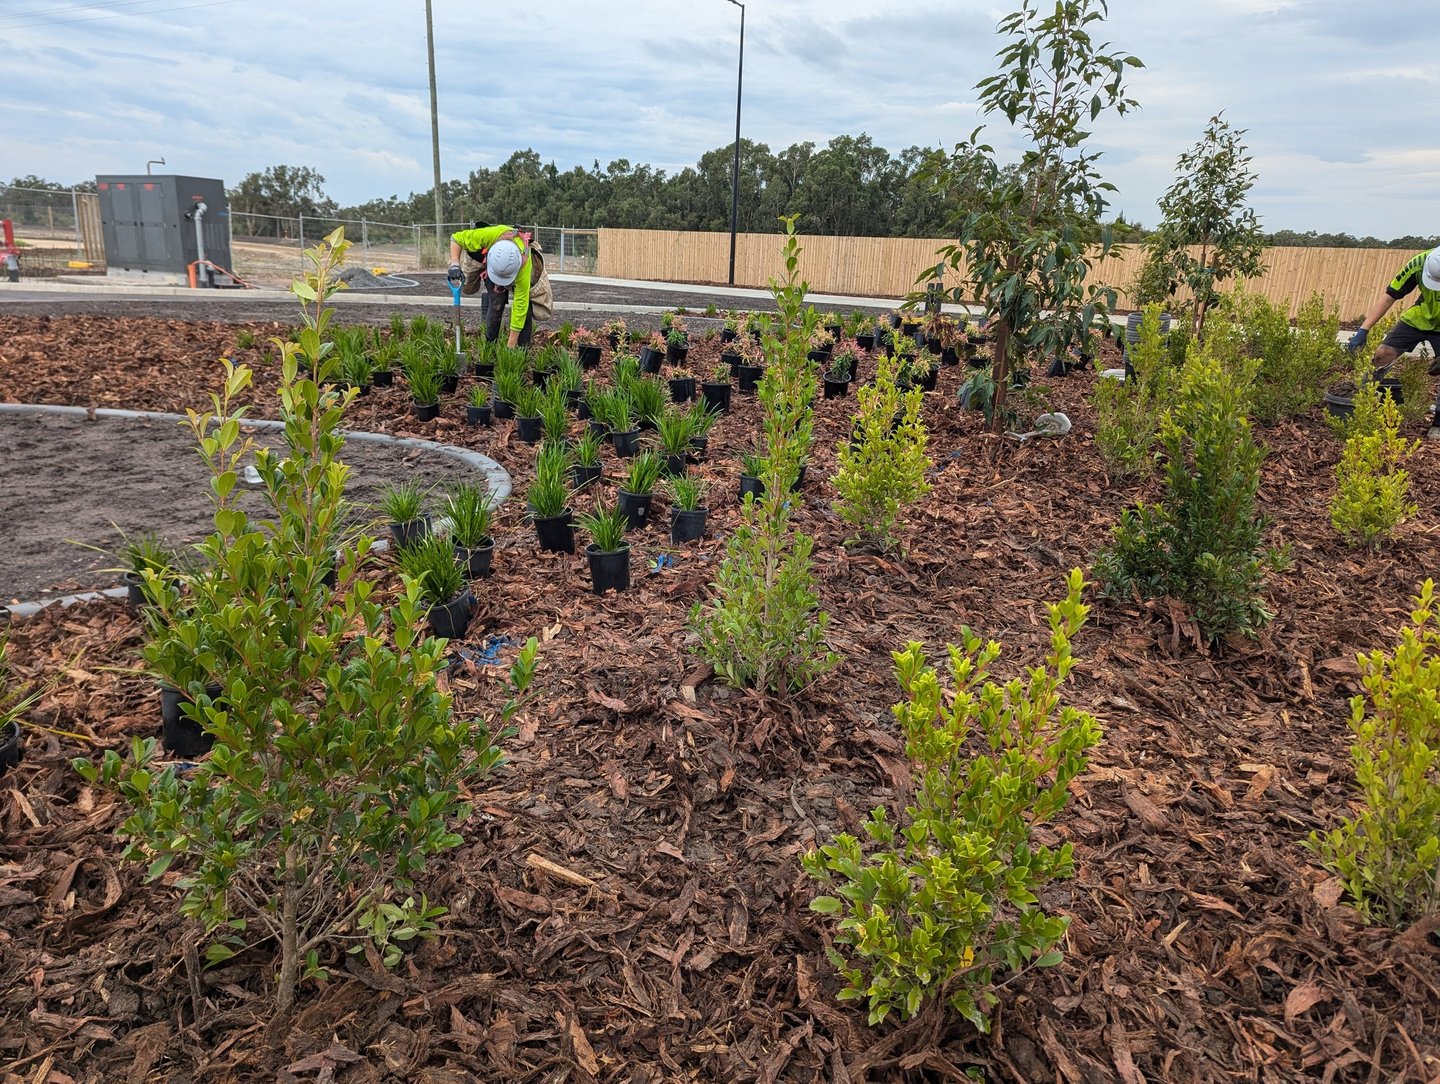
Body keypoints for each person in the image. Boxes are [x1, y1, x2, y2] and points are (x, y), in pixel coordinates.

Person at [1347, 244, 1440, 438]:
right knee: (1382, 354)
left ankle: (1438, 424)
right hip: (1419, 318)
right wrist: (1363, 329)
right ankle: (1362, 402)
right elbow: (1390, 296)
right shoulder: (1419, 262)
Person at [447, 224, 548, 348]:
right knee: (496, 301)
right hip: (488, 259)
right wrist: (455, 263)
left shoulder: (524, 262)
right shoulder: (488, 235)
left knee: (525, 308)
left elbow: (520, 302)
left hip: (513, 267)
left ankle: (522, 350)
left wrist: (510, 345)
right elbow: (456, 238)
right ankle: (490, 347)